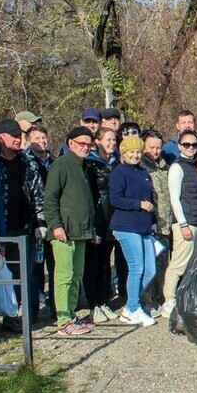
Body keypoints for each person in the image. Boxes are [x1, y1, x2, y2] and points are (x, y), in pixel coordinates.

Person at [0, 118, 47, 331]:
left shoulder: (27, 161)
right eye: (14, 136)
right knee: (0, 273)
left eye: (20, 136)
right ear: (1, 137)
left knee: (26, 273)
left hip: (25, 227)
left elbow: (38, 193)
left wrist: (40, 222)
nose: (19, 140)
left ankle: (26, 317)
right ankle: (0, 317)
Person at [43, 126, 97, 336]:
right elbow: (50, 199)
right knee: (64, 276)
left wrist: (91, 229)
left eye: (89, 144)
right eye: (82, 143)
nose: (86, 147)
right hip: (64, 231)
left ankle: (72, 315)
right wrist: (56, 225)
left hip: (81, 231)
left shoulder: (85, 167)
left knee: (77, 276)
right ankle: (63, 320)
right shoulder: (61, 166)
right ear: (70, 143)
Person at [159, 130, 197, 318]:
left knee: (195, 264)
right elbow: (175, 198)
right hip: (186, 223)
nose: (190, 148)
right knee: (179, 264)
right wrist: (182, 224)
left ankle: (187, 297)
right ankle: (169, 301)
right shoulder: (177, 167)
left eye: (194, 145)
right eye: (186, 144)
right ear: (179, 146)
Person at [109, 135, 157, 327]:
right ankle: (132, 308)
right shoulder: (119, 173)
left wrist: (152, 220)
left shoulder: (143, 172)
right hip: (126, 225)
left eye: (138, 152)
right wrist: (139, 205)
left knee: (150, 269)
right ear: (123, 153)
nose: (135, 155)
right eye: (131, 152)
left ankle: (131, 306)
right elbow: (116, 199)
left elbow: (149, 199)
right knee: (136, 267)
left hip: (144, 226)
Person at [83, 127, 120, 322]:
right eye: (108, 140)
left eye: (114, 140)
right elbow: (88, 195)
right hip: (97, 217)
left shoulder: (116, 163)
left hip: (112, 219)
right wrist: (93, 224)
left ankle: (103, 300)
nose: (112, 143)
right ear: (97, 141)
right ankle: (93, 304)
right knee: (93, 264)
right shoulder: (90, 164)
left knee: (106, 263)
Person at [23, 124, 55, 317]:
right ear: (28, 141)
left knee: (54, 265)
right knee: (34, 268)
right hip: (33, 222)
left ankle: (55, 306)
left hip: (53, 220)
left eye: (44, 138)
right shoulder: (25, 161)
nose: (42, 141)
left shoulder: (54, 161)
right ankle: (32, 310)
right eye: (37, 138)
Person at [141, 130, 172, 315]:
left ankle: (160, 298)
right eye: (151, 147)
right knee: (148, 266)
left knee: (163, 265)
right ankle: (146, 300)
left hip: (166, 224)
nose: (155, 150)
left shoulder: (164, 166)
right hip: (150, 224)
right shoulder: (141, 167)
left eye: (158, 147)